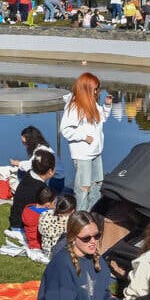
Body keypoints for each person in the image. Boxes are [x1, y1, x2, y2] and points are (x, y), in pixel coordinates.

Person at [35, 211, 134, 300]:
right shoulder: (61, 265)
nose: (93, 241)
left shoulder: (96, 259)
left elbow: (102, 294)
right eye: (86, 238)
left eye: (97, 236)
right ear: (73, 238)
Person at [59, 72, 112, 211]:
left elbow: (102, 119)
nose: (98, 92)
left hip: (96, 152)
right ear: (87, 89)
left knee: (97, 184)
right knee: (84, 187)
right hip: (83, 155)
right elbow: (65, 130)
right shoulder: (75, 107)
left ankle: (92, 213)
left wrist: (107, 106)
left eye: (98, 89)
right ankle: (81, 216)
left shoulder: (93, 103)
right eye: (95, 89)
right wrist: (84, 136)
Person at [9, 148, 56, 231]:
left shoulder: (28, 175)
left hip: (14, 222)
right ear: (50, 171)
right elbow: (46, 208)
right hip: (24, 227)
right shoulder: (41, 188)